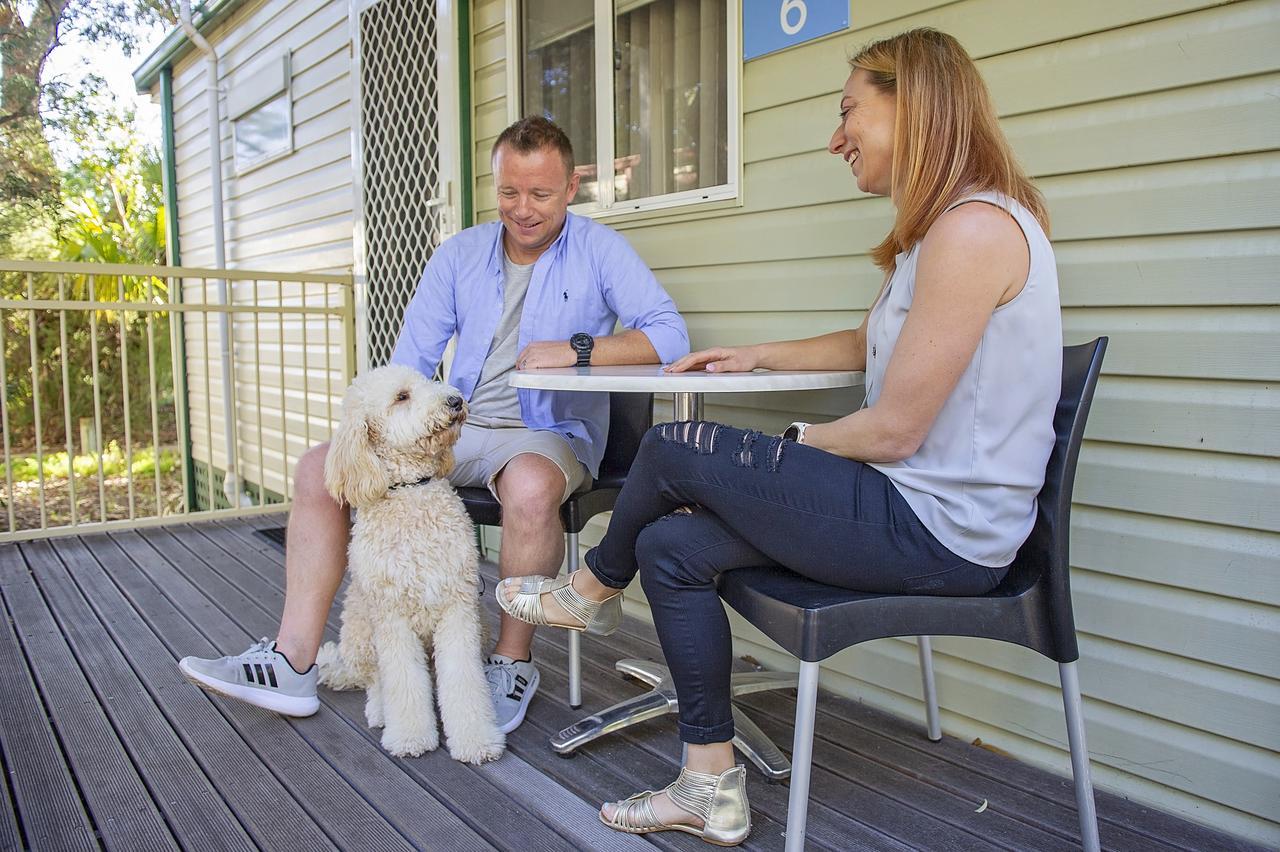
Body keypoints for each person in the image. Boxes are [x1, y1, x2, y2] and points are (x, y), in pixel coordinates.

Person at [497, 28, 1062, 846]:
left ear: (918, 107)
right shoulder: (941, 233)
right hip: (906, 509)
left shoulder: (974, 232)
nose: (837, 137)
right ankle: (709, 786)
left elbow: (898, 430)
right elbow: (870, 345)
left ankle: (589, 589)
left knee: (672, 450)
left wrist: (784, 448)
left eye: (849, 113)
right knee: (673, 549)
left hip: (944, 535)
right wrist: (757, 355)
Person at [179, 116, 690, 734]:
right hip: (455, 426)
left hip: (545, 433)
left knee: (530, 488)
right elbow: (410, 366)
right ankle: (294, 661)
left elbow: (669, 335)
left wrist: (577, 349)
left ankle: (509, 662)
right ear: (494, 185)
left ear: (571, 188)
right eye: (509, 192)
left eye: (541, 195)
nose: (523, 210)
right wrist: (368, 433)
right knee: (319, 469)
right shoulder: (460, 254)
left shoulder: (600, 250)